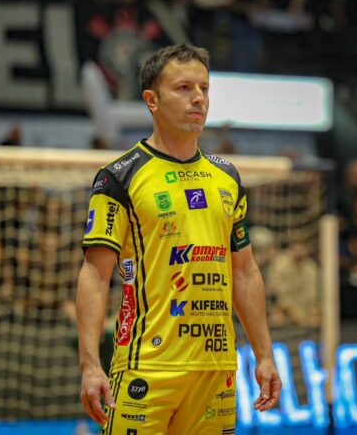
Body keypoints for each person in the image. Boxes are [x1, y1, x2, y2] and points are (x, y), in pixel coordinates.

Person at [76, 43, 281, 434]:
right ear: (152, 100)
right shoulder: (119, 177)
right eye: (184, 88)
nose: (198, 98)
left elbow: (244, 271)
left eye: (204, 88)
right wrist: (90, 365)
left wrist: (264, 355)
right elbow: (95, 274)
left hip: (215, 370)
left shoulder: (227, 178)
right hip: (146, 367)